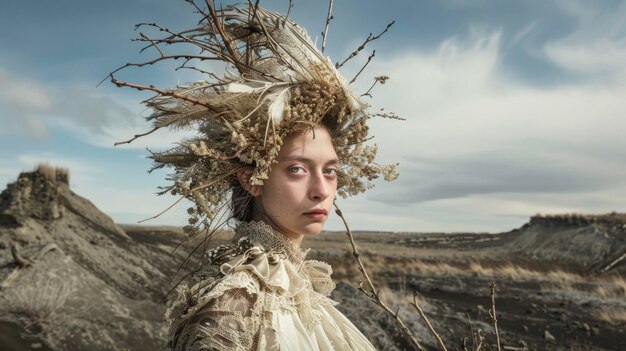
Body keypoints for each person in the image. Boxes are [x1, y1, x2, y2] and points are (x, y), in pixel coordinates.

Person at [112, 2, 398, 350]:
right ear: (251, 179)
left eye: (330, 171)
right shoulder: (232, 305)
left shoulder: (301, 288)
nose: (322, 190)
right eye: (297, 169)